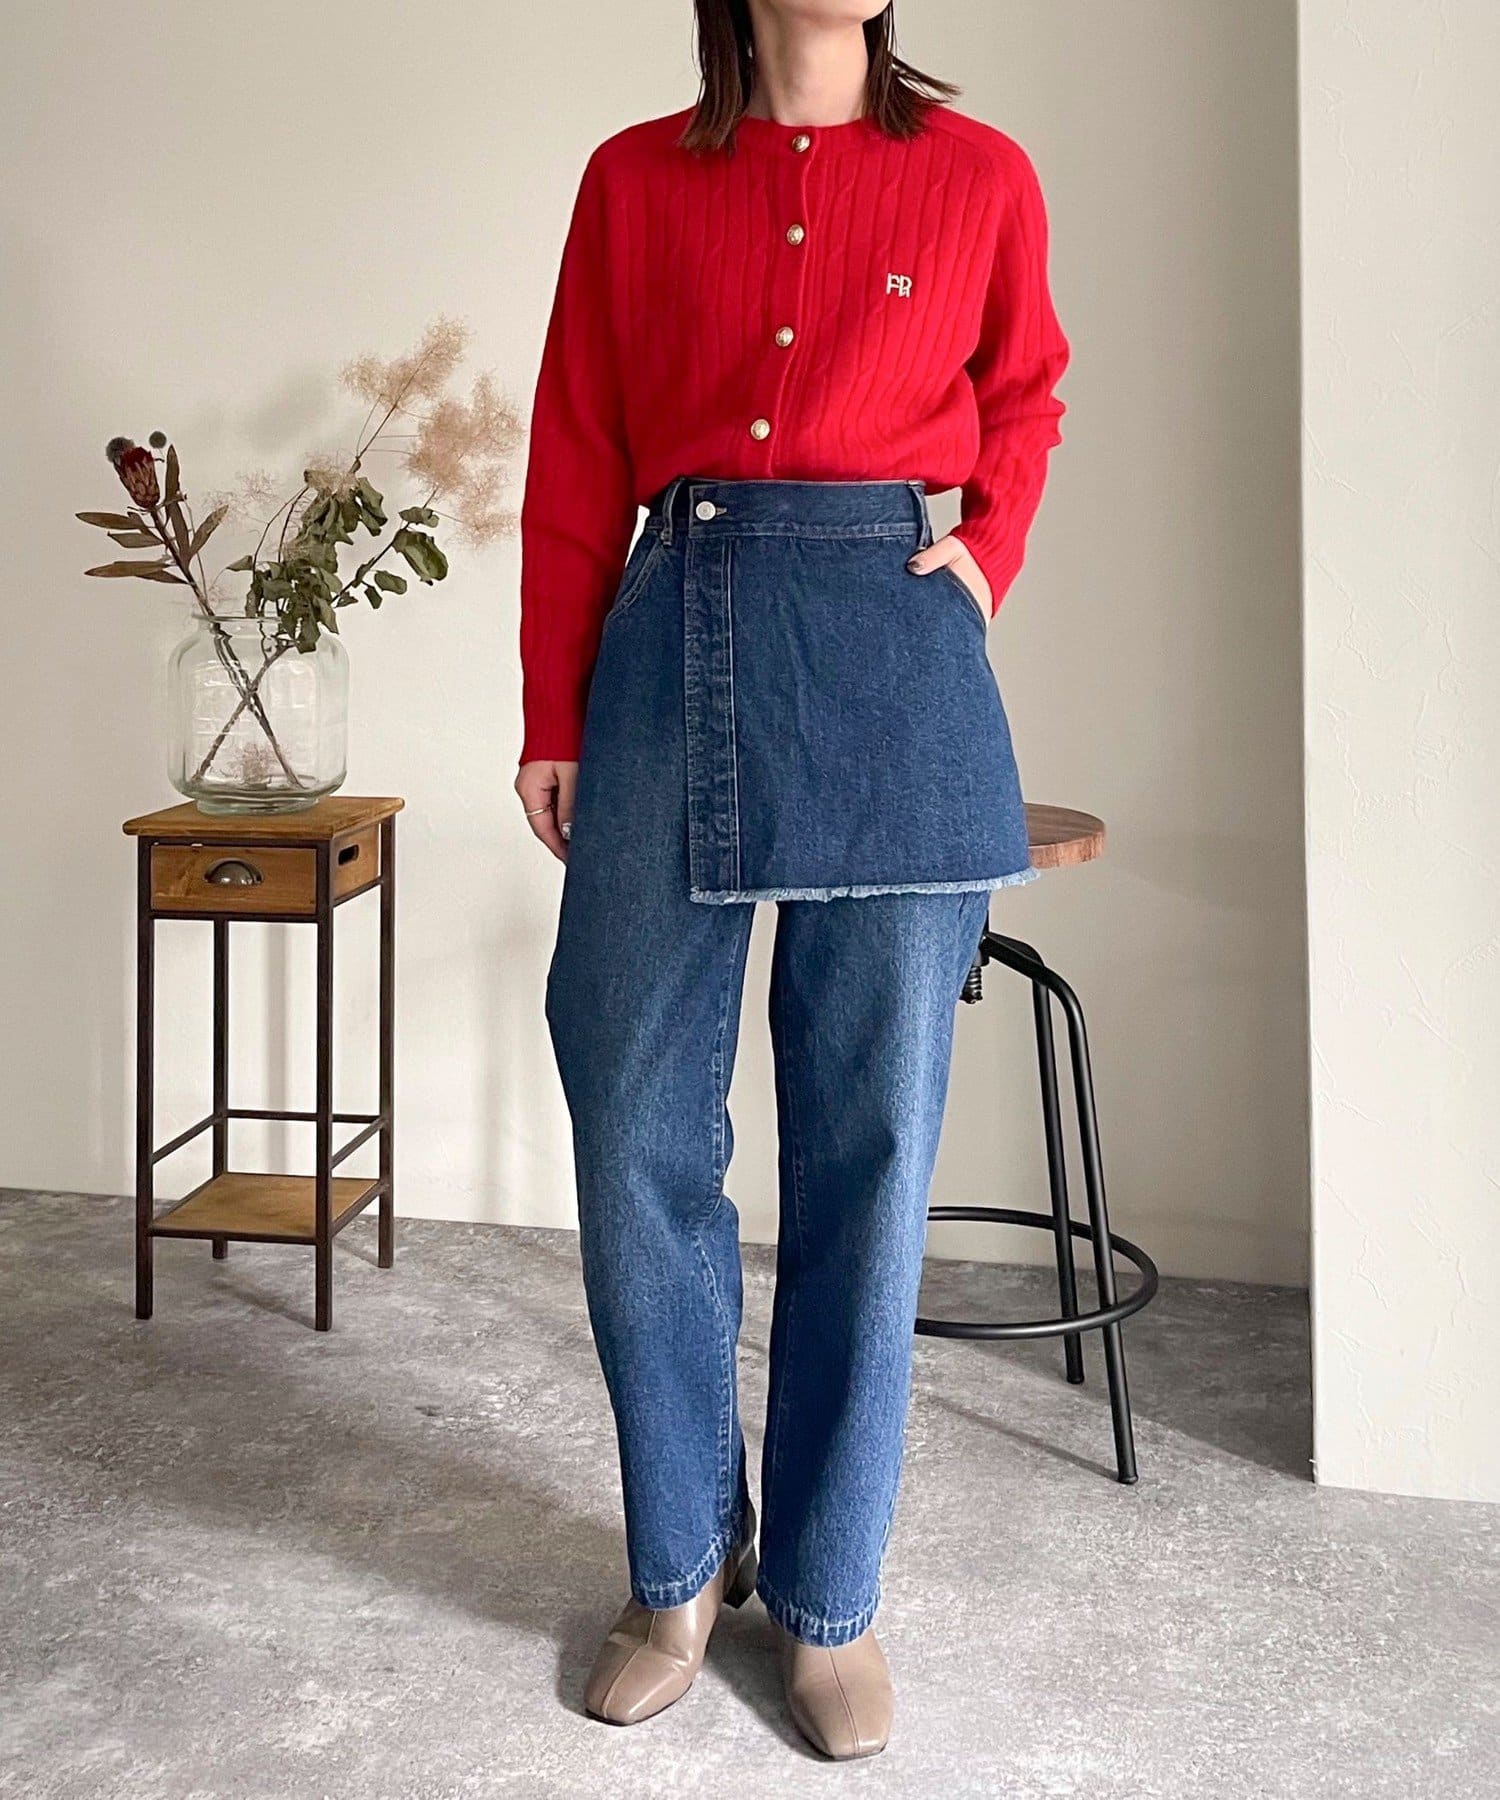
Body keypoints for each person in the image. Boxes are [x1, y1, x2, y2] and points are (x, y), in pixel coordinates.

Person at [515, 0, 1068, 1760]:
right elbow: (576, 440)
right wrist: (551, 707)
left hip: (895, 647)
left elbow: (1027, 393)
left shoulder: (982, 176)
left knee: (875, 1137)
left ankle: (830, 1594)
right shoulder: (631, 181)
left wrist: (985, 550)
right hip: (672, 629)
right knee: (632, 1107)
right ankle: (681, 1563)